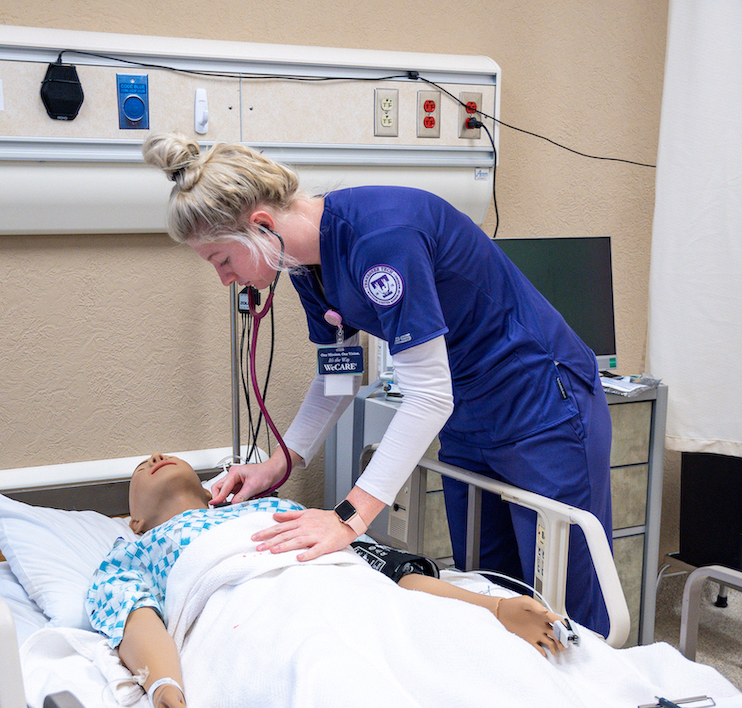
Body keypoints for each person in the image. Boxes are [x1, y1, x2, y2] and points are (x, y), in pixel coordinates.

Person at [141, 133, 614, 636]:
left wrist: (348, 517)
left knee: (566, 611)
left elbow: (428, 395)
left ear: (260, 227)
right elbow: (337, 380)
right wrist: (279, 463)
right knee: (491, 595)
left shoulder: (381, 238)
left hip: (542, 406)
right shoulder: (305, 265)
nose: (225, 280)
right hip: (470, 418)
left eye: (222, 261)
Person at [86, 453, 564, 708]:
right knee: (340, 689)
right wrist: (164, 682)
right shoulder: (131, 552)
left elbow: (385, 571)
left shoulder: (276, 507)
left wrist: (492, 609)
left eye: (164, 455)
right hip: (254, 613)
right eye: (139, 470)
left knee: (456, 678)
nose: (154, 457)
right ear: (135, 521)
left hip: (347, 592)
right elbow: (138, 620)